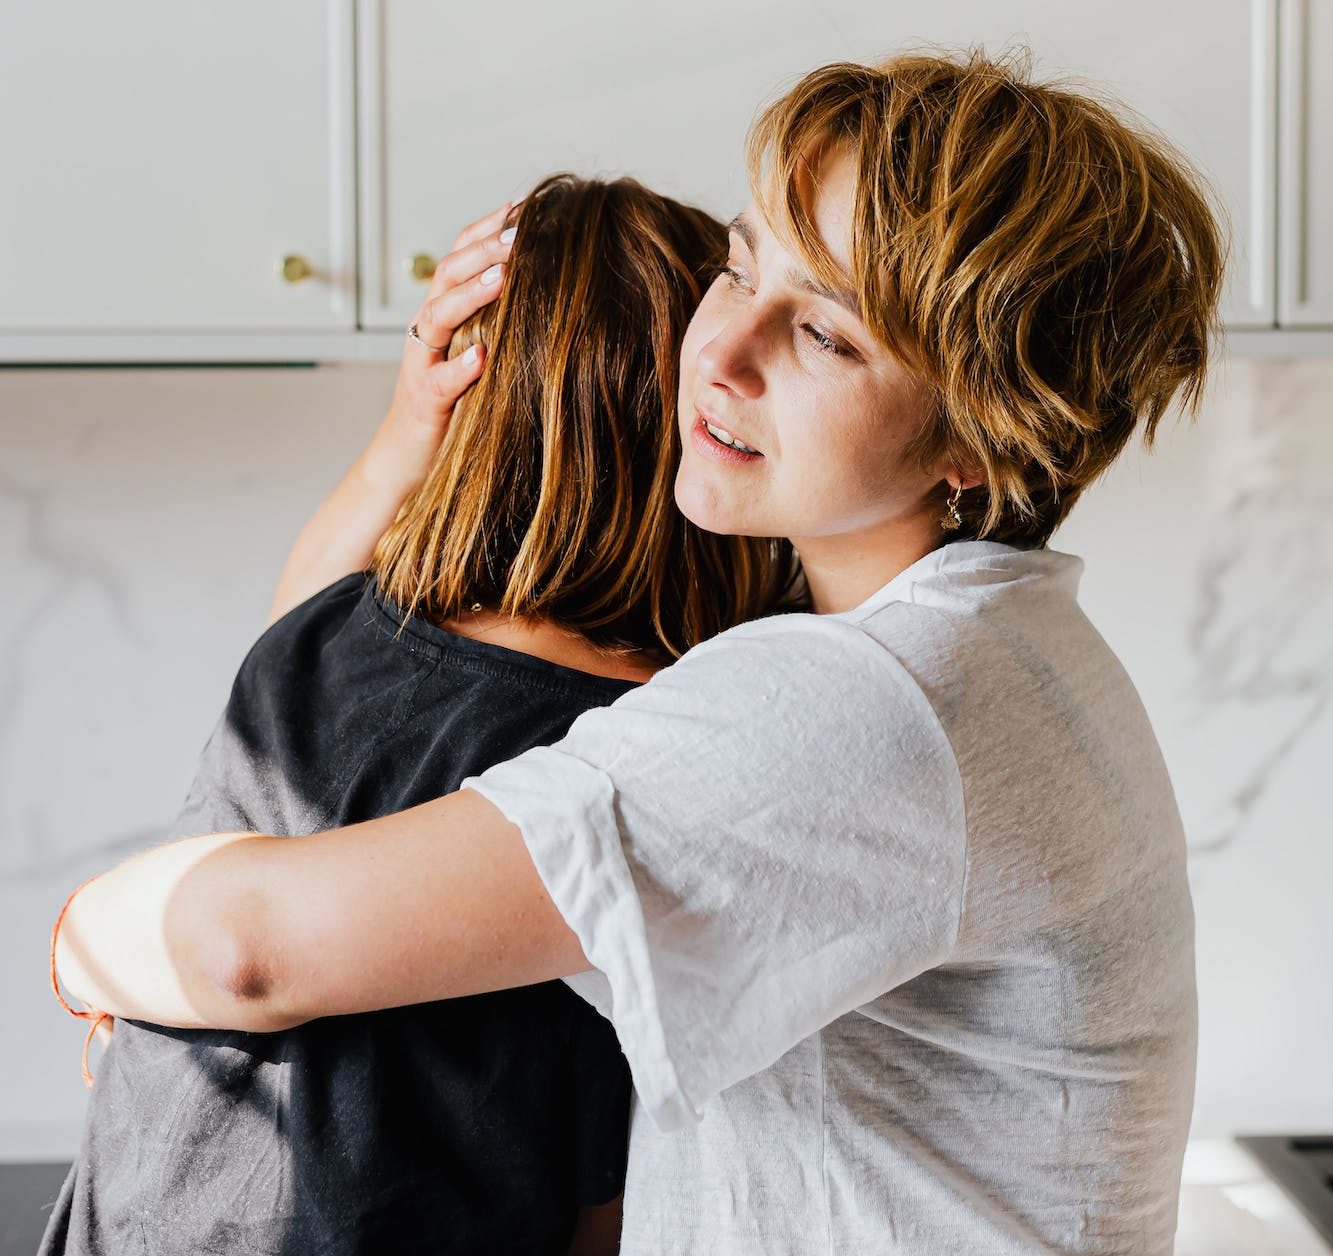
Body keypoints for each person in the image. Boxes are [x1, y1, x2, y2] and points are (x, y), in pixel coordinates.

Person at [55, 49, 1229, 1254]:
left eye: (826, 335)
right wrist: (408, 446)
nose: (721, 351)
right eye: (738, 266)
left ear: (976, 443)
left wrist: (82, 942)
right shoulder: (985, 652)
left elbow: (246, 946)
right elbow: (303, 716)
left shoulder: (857, 710)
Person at [41, 173, 796, 1256]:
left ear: (478, 419)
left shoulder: (330, 641)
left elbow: (289, 624)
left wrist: (407, 427)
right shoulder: (658, 749)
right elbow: (601, 1176)